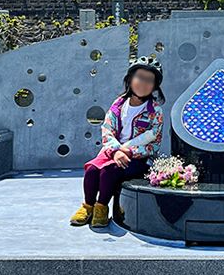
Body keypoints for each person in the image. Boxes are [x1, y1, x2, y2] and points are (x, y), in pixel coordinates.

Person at [70, 55, 165, 228]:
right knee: (91, 169)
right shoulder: (118, 105)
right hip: (114, 151)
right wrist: (116, 150)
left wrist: (129, 151)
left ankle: (101, 207)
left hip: (138, 159)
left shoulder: (155, 111)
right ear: (130, 79)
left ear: (155, 85)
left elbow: (154, 144)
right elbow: (107, 130)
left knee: (110, 170)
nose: (143, 83)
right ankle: (88, 206)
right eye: (140, 77)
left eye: (149, 80)